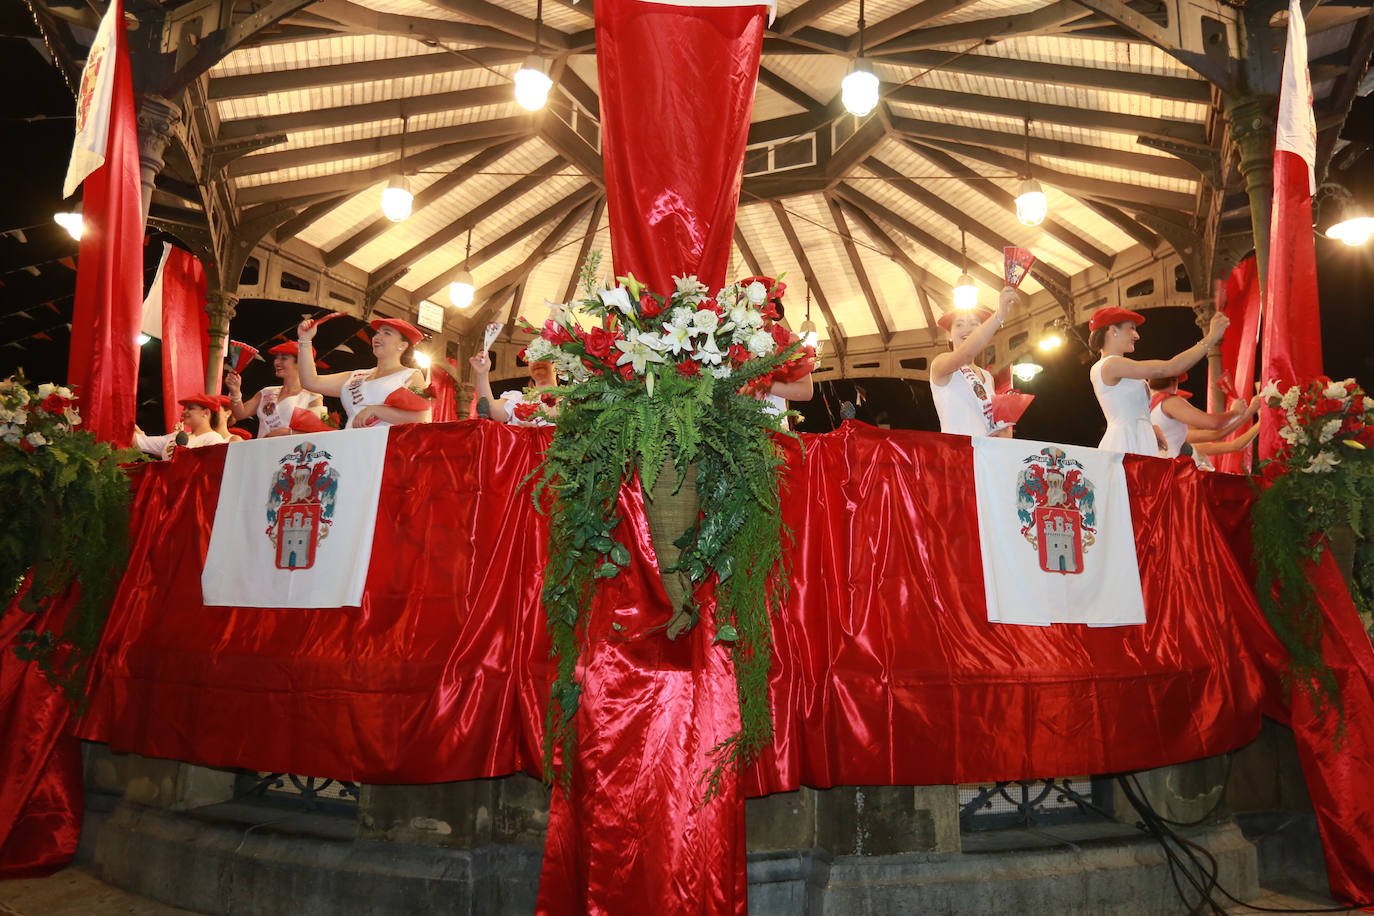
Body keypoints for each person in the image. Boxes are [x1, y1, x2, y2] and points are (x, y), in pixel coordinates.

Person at [1088, 306, 1229, 456]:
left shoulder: (1117, 366)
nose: (1136, 336)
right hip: (1126, 442)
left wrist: (1149, 426)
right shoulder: (1110, 365)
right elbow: (1171, 368)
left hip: (1138, 438)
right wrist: (1211, 337)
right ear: (1112, 330)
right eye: (1131, 328)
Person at [295, 317, 431, 428]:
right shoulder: (356, 376)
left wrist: (375, 410)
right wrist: (305, 340)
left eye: (387, 333)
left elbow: (419, 417)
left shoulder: (411, 376)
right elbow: (310, 382)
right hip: (353, 447)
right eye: (377, 332)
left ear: (402, 345)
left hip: (388, 450)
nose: (378, 337)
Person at [929, 286, 1024, 437]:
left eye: (974, 324)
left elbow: (995, 424)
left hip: (983, 456)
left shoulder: (988, 377)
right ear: (949, 334)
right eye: (959, 324)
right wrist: (999, 315)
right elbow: (966, 354)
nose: (967, 329)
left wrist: (1005, 433)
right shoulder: (940, 364)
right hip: (956, 455)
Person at [226, 340, 326, 438]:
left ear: (300, 362)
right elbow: (240, 414)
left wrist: (288, 432)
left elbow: (317, 433)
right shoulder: (266, 392)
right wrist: (235, 391)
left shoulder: (313, 397)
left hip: (290, 452)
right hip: (263, 450)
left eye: (283, 358)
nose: (277, 362)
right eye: (276, 358)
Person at [1148, 373, 1260, 459]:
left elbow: (1223, 438)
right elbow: (1216, 429)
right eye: (1186, 404)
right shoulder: (1169, 402)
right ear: (1174, 383)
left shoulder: (1149, 407)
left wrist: (1249, 413)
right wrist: (1239, 412)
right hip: (1171, 474)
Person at [469, 353, 558, 426]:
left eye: (544, 356)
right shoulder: (517, 399)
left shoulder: (570, 401)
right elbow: (491, 409)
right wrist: (482, 374)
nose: (537, 361)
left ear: (559, 365)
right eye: (532, 358)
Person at [133, 394, 225, 459]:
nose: (184, 412)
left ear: (206, 413)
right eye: (184, 409)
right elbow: (139, 442)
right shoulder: (176, 437)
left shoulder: (214, 439)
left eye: (190, 408)